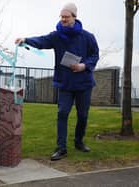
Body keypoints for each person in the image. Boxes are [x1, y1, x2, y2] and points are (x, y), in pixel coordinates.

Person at [15, 2, 99, 161]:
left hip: (84, 83)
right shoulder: (57, 36)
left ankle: (79, 142)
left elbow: (95, 55)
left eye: (66, 17)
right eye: (62, 17)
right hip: (65, 83)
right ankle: (61, 148)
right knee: (62, 113)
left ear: (75, 17)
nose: (63, 20)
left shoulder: (88, 37)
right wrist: (25, 40)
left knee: (83, 115)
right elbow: (42, 41)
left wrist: (84, 66)